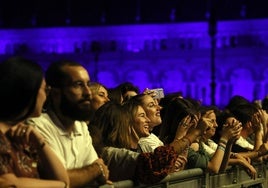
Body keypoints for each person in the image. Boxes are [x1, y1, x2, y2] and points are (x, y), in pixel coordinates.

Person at [27, 60, 110, 187]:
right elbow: (60, 181)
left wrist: (94, 171)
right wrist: (95, 169)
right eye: (78, 85)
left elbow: (101, 176)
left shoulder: (80, 125)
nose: (88, 92)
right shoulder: (37, 126)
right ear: (55, 93)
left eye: (88, 84)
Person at [90, 100, 211, 185]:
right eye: (142, 116)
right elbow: (153, 163)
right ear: (121, 125)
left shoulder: (127, 150)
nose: (147, 120)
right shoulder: (108, 153)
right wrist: (193, 133)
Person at [0, 56, 69, 188]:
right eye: (44, 89)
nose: (46, 95)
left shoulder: (23, 135)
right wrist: (59, 185)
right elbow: (6, 183)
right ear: (28, 92)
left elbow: (64, 180)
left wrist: (39, 140)